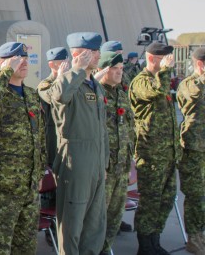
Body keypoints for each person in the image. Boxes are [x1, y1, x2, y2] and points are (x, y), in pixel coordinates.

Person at [0, 42, 46, 254]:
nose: (23, 62)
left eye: (25, 58)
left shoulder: (32, 95)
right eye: (17, 59)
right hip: (0, 188)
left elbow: (39, 138)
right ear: (2, 63)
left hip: (28, 186)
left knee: (26, 246)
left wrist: (39, 172)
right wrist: (7, 70)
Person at [49, 32, 108, 255]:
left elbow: (101, 129)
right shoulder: (68, 81)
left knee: (94, 225)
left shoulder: (94, 84)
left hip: (96, 163)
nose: (98, 55)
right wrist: (76, 70)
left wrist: (105, 161)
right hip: (76, 162)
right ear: (79, 55)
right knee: (72, 224)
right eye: (93, 52)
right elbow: (60, 95)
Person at [129, 41, 179, 255]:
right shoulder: (141, 82)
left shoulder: (162, 80)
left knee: (166, 200)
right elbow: (156, 92)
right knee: (150, 201)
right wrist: (166, 71)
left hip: (167, 153)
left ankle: (155, 241)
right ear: (152, 58)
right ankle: (145, 246)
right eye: (164, 58)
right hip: (150, 154)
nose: (169, 62)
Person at [97, 52, 135, 255]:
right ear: (104, 69)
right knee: (97, 217)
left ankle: (105, 249)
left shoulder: (121, 92)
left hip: (121, 165)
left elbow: (129, 128)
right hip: (104, 167)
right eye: (115, 69)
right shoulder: (96, 93)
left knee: (115, 215)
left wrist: (131, 163)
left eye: (121, 69)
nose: (120, 73)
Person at [176, 47, 205, 254]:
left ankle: (200, 234)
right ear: (201, 64)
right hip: (195, 150)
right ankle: (193, 237)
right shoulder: (189, 84)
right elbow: (191, 97)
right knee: (196, 195)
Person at [37, 47, 68, 167]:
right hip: (53, 138)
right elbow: (54, 98)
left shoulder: (69, 82)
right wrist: (60, 77)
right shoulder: (45, 85)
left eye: (67, 61)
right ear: (52, 64)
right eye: (62, 62)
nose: (66, 65)